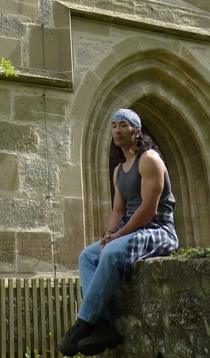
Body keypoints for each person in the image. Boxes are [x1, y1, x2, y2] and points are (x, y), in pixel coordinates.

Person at [57, 109, 178, 356]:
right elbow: (118, 209)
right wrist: (108, 234)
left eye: (123, 125)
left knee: (111, 252)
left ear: (137, 131)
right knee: (87, 256)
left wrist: (119, 235)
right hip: (130, 230)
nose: (117, 130)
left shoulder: (150, 159)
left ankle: (82, 325)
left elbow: (149, 208)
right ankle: (104, 326)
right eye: (113, 126)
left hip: (157, 229)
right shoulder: (119, 170)